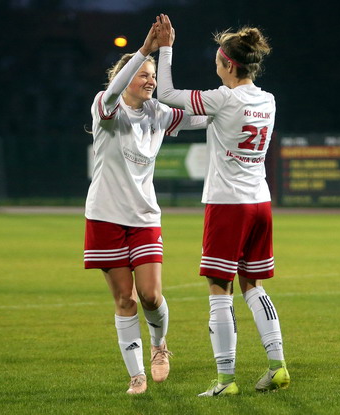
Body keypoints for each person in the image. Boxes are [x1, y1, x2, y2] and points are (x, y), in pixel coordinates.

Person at [155, 14, 289, 396]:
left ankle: (226, 380)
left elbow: (167, 93)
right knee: (253, 285)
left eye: (217, 61)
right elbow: (210, 120)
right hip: (260, 202)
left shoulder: (222, 98)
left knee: (219, 289)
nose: (215, 66)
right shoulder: (267, 100)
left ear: (229, 64)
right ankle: (278, 366)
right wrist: (170, 123)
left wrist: (166, 49)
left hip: (228, 204)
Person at [84, 23, 209, 395]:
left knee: (151, 295)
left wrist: (234, 105)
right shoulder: (106, 106)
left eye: (152, 75)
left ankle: (159, 346)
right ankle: (136, 374)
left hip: (144, 217)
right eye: (143, 74)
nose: (150, 80)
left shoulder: (158, 113)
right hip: (105, 216)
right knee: (125, 299)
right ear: (125, 78)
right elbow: (112, 92)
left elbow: (203, 117)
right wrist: (144, 50)